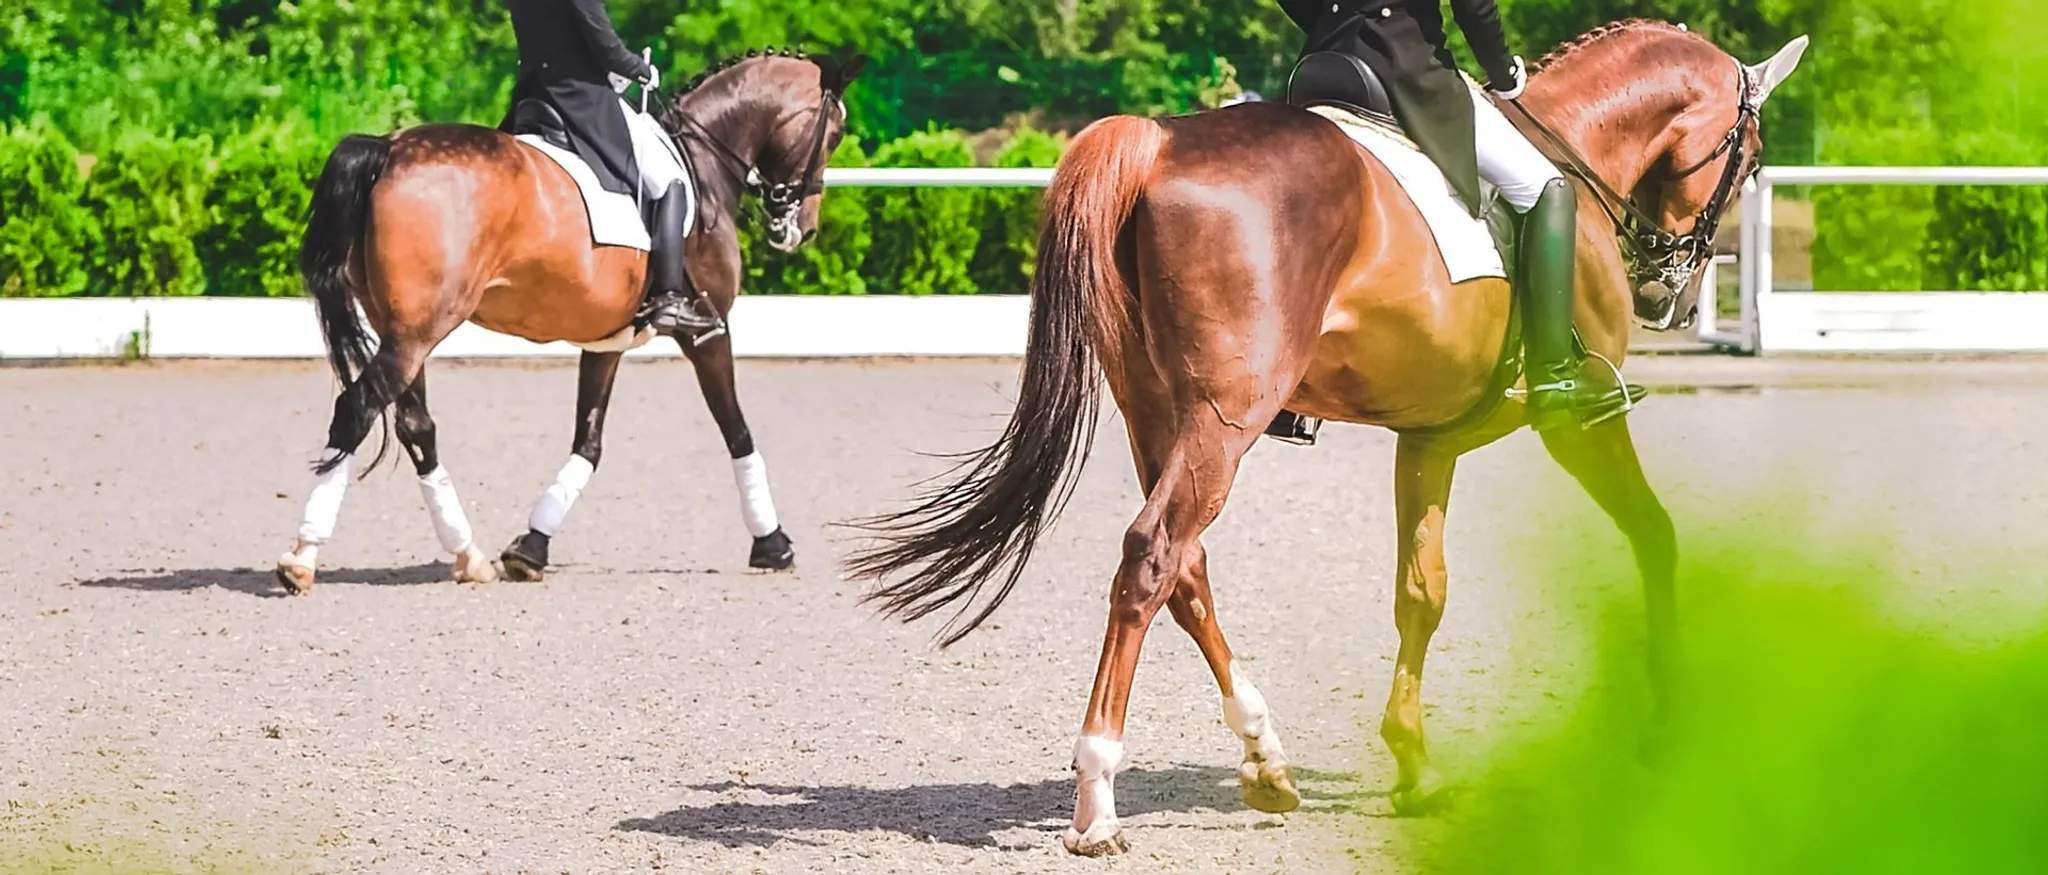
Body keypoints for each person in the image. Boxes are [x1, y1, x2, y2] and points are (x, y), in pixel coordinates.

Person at [1271, 0, 1637, 435]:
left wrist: (1331, 22)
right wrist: (1504, 73)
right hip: (1404, 72)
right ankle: (1553, 377)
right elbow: (1475, 6)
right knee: (1546, 189)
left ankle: (1287, 384)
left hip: (1319, 69)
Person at [505, 0, 714, 337]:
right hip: (581, 101)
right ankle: (669, 297)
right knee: (668, 182)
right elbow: (606, 48)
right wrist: (641, 71)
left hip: (532, 98)